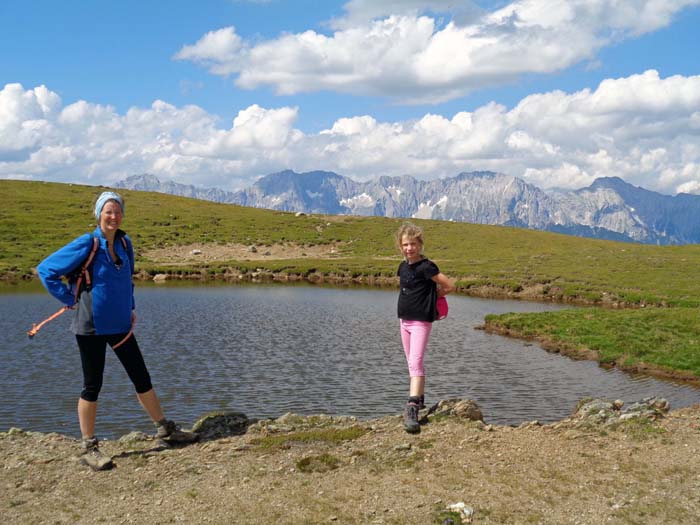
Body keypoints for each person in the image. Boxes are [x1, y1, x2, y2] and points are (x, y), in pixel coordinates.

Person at [37, 191, 196, 470]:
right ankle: (89, 446)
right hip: (92, 327)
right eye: (108, 211)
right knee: (92, 385)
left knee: (141, 377)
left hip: (121, 325)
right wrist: (69, 298)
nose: (114, 216)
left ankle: (165, 429)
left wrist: (130, 307)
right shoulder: (88, 243)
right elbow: (46, 269)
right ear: (99, 214)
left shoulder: (125, 242)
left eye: (117, 211)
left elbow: (127, 280)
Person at [396, 222, 454, 433]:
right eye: (405, 244)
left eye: (413, 244)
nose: (409, 248)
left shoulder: (427, 266)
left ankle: (412, 408)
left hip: (421, 321)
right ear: (400, 246)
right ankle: (419, 399)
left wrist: (432, 298)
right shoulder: (403, 267)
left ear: (420, 244)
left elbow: (449, 285)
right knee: (412, 363)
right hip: (404, 321)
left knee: (415, 362)